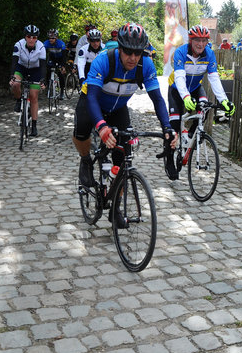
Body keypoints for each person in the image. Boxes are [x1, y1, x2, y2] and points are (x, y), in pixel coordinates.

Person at [72, 23, 178, 216]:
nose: (133, 57)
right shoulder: (104, 60)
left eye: (137, 53)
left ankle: (116, 206)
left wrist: (167, 127)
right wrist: (102, 127)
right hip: (92, 102)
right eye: (128, 52)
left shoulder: (145, 65)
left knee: (123, 161)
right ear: (119, 48)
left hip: (118, 108)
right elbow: (92, 97)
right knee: (81, 132)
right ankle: (86, 160)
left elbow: (157, 99)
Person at [165, 25, 235, 180]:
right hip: (177, 89)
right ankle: (169, 159)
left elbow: (214, 78)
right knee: (174, 127)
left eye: (204, 40)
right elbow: (180, 78)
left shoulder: (209, 54)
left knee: (206, 106)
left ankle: (192, 135)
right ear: (191, 40)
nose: (201, 44)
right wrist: (185, 97)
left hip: (196, 87)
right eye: (197, 40)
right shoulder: (181, 52)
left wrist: (224, 101)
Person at [9, 24, 46, 137]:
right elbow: (14, 62)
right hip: (22, 67)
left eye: (34, 37)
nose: (31, 39)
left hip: (36, 70)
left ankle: (34, 126)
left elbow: (43, 66)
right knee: (15, 84)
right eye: (29, 36)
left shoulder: (41, 47)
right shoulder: (18, 45)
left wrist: (43, 80)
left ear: (37, 38)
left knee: (34, 96)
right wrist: (12, 76)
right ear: (25, 37)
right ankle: (18, 100)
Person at [44, 28, 66, 100]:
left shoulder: (61, 44)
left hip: (60, 59)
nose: (51, 39)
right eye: (49, 38)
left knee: (60, 73)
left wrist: (62, 65)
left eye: (53, 38)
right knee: (48, 71)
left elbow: (64, 56)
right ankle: (48, 86)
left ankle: (62, 90)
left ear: (56, 37)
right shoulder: (46, 43)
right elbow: (43, 54)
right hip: (52, 58)